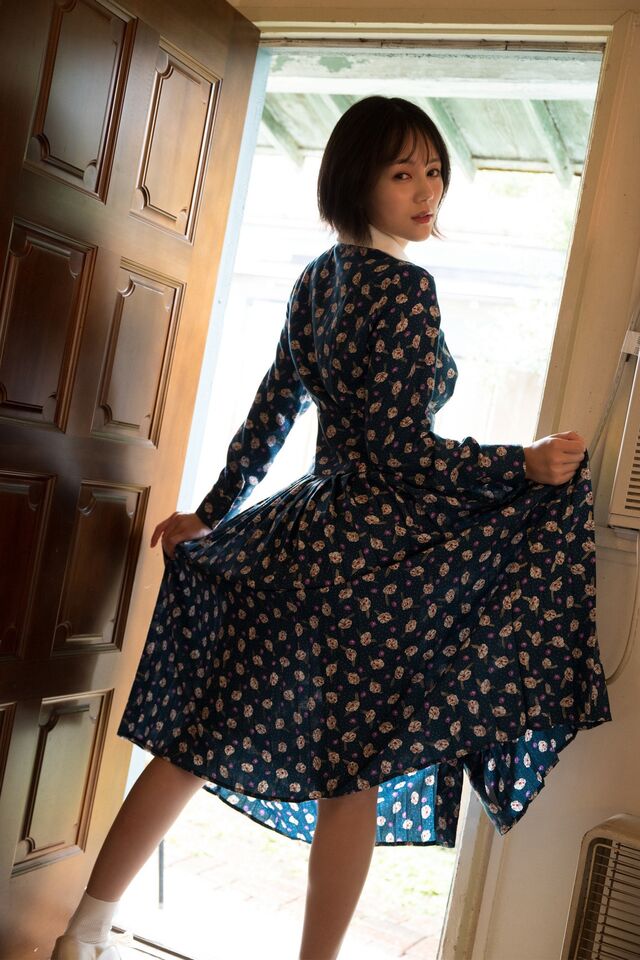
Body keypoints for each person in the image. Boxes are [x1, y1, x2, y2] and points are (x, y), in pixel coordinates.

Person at [52, 95, 612, 960]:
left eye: (434, 171)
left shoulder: (320, 276)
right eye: (402, 174)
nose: (427, 190)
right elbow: (398, 450)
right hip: (370, 558)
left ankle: (81, 931)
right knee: (351, 778)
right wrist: (521, 465)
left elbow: (273, 408)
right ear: (357, 182)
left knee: (197, 740)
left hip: (302, 538)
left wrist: (214, 509)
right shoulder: (407, 289)